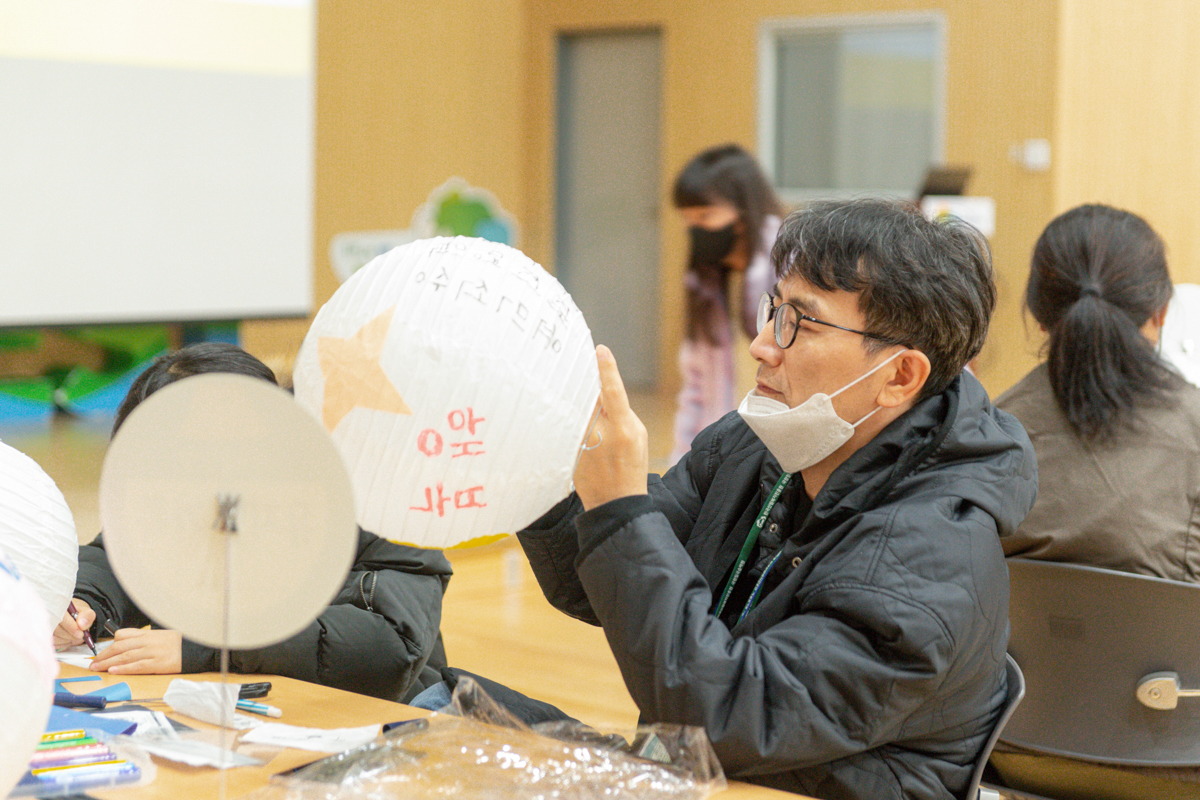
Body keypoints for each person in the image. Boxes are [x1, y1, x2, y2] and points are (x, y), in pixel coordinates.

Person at [518, 199, 1036, 799]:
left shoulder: (931, 557)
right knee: (444, 700)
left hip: (770, 782)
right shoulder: (762, 441)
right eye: (775, 309)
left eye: (802, 324)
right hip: (704, 777)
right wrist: (535, 462)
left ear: (900, 377)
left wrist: (620, 510)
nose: (763, 344)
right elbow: (597, 582)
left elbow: (729, 715)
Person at [52, 343, 453, 703]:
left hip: (387, 722)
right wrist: (81, 602)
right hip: (240, 714)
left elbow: (391, 649)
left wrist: (210, 647)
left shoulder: (378, 498)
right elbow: (120, 556)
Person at [996, 204, 1200, 580]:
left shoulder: (986, 432)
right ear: (1160, 313)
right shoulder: (1194, 426)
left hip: (1015, 622)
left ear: (1040, 317)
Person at [670, 144, 783, 464]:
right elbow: (695, 387)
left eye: (705, 215)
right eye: (687, 218)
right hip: (725, 454)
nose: (693, 228)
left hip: (776, 450)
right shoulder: (704, 282)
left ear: (744, 214)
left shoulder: (790, 268)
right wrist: (682, 463)